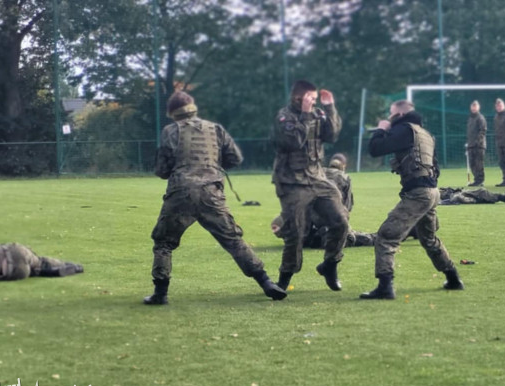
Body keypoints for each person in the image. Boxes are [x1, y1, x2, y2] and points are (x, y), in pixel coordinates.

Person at [145, 91, 286, 305]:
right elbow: (235, 158)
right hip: (212, 193)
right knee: (233, 240)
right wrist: (212, 169)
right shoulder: (215, 129)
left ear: (172, 113)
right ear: (193, 107)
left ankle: (160, 293)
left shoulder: (171, 131)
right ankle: (266, 282)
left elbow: (162, 169)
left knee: (163, 242)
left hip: (181, 193)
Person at [363, 100, 463, 300]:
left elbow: (375, 149)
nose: (389, 117)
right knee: (429, 239)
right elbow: (435, 166)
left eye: (391, 113)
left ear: (399, 114)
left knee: (386, 235)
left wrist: (381, 129)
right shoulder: (424, 134)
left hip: (418, 193)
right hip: (431, 191)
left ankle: (385, 286)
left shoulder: (404, 130)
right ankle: (453, 278)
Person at [271, 80, 348, 292]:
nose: (313, 103)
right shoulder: (284, 117)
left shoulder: (318, 114)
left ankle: (330, 265)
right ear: (298, 98)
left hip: (317, 177)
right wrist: (304, 115)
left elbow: (332, 135)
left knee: (340, 220)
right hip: (291, 181)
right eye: (310, 99)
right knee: (296, 232)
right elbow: (293, 142)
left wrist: (330, 107)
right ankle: (284, 279)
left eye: (315, 100)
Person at [271, 155, 375, 248]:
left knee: (280, 224)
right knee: (347, 236)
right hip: (326, 222)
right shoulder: (344, 177)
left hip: (304, 221)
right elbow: (346, 208)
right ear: (344, 166)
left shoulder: (316, 174)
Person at [0, 243, 83, 281]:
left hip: (15, 273)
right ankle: (67, 266)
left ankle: (45, 272)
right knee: (40, 261)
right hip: (14, 252)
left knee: (33, 271)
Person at [465, 100, 487, 186]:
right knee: (472, 163)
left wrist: (478, 141)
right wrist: (469, 143)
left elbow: (483, 130)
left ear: (478, 107)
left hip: (479, 146)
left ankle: (480, 180)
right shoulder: (470, 118)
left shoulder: (480, 118)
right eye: (472, 106)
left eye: (475, 106)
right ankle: (476, 179)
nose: (474, 108)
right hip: (471, 145)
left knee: (479, 163)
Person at [440, 187, 505, 205]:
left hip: (467, 195)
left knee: (483, 192)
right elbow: (456, 198)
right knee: (482, 192)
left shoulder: (449, 194)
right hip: (469, 197)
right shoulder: (451, 197)